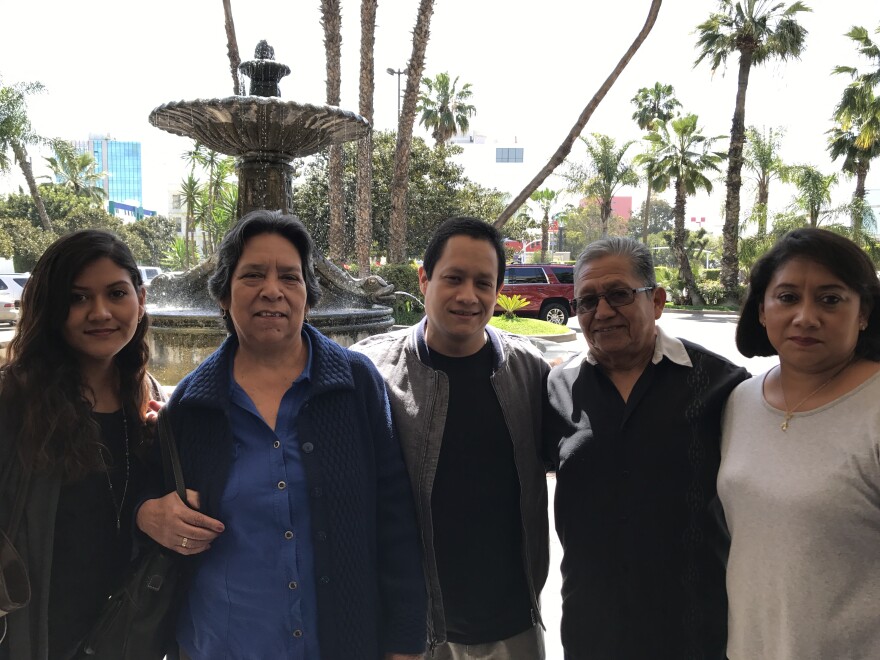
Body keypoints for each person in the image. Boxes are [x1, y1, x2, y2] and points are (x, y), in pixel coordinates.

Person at [136, 210, 426, 660]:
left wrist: (404, 642)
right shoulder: (191, 405)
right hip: (223, 644)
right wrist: (146, 513)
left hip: (340, 643)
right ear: (223, 293)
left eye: (289, 277)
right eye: (252, 274)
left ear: (308, 295)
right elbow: (149, 498)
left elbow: (394, 518)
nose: (272, 289)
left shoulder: (355, 384)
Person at [352, 217, 550, 659]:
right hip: (414, 633)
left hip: (513, 625)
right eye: (453, 278)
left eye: (484, 282)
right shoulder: (371, 371)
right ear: (425, 279)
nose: (468, 295)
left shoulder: (529, 372)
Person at [544, 236, 749, 660]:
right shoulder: (557, 389)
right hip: (591, 629)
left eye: (618, 294)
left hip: (694, 631)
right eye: (586, 301)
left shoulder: (723, 386)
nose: (601, 312)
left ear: (656, 300)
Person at [718, 228, 880, 659]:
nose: (806, 317)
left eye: (830, 299)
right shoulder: (741, 401)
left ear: (863, 312)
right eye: (788, 297)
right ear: (762, 310)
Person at [0, 230, 162, 660]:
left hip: (122, 634)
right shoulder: (14, 398)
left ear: (140, 298)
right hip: (35, 634)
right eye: (77, 298)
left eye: (116, 293)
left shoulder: (146, 396)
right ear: (51, 308)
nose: (101, 312)